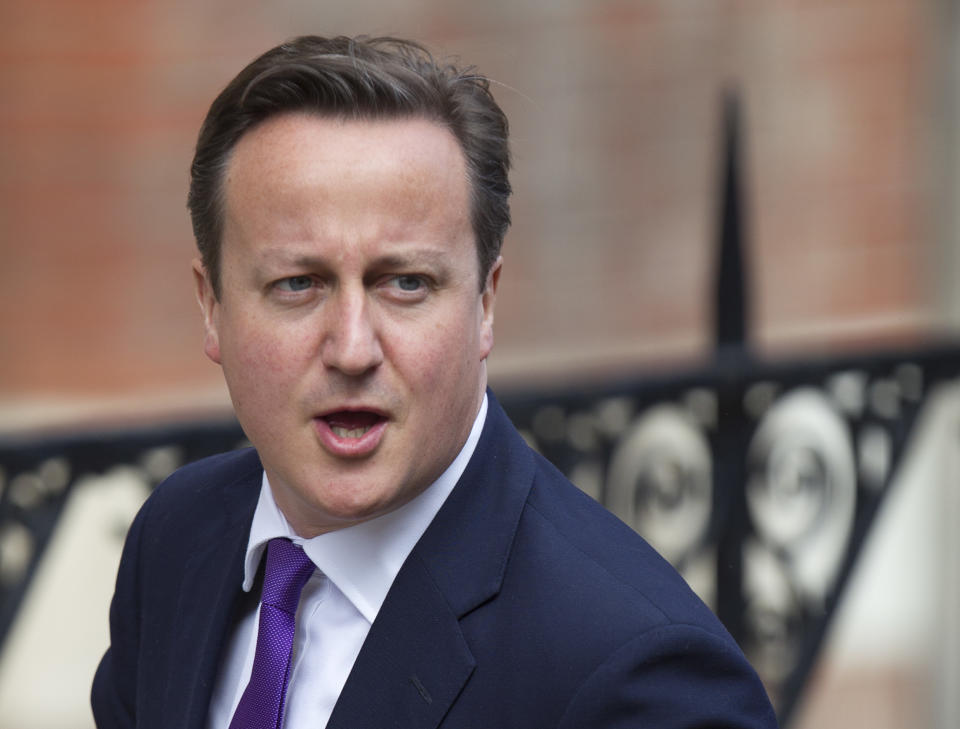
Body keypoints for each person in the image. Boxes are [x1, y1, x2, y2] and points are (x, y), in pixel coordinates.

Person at [91, 35, 778, 729]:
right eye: (298, 283)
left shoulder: (638, 674)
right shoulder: (176, 539)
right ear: (211, 306)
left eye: (405, 283)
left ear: (485, 303)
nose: (353, 348)